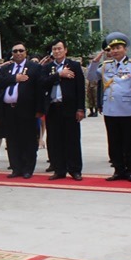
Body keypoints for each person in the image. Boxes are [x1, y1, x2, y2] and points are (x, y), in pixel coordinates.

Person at [88, 33, 131, 182]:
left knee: (129, 143)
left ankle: (130, 171)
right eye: (112, 48)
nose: (115, 51)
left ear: (125, 49)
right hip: (111, 109)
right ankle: (118, 170)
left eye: (118, 48)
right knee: (114, 142)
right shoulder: (106, 65)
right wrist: (94, 62)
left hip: (127, 109)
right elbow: (91, 77)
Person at [0, 42, 44, 179]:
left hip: (27, 110)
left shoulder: (34, 68)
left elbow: (40, 89)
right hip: (9, 110)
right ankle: (16, 168)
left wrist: (40, 109)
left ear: (26, 52)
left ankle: (28, 168)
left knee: (28, 140)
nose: (18, 53)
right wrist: (14, 78)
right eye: (15, 51)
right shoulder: (7, 69)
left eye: (21, 50)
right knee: (12, 140)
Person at [40, 38, 85, 181]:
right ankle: (59, 169)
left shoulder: (74, 66)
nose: (57, 51)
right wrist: (58, 75)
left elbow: (80, 89)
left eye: (59, 48)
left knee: (72, 139)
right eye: (54, 49)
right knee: (54, 140)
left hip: (70, 108)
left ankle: (75, 169)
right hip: (53, 107)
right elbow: (43, 84)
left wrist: (80, 108)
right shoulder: (47, 68)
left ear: (65, 50)